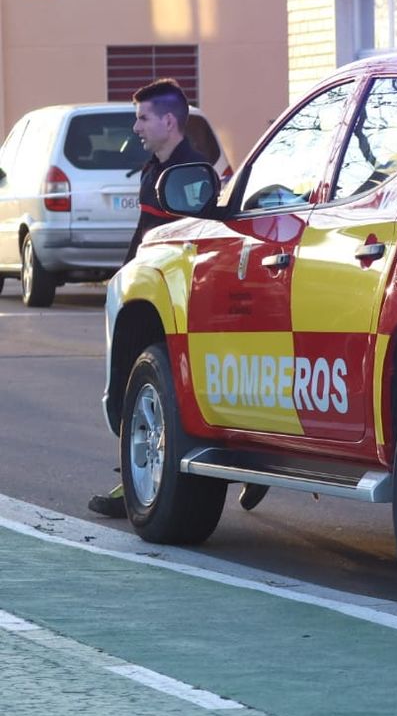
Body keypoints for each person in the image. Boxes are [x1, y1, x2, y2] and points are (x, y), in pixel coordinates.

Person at [87, 80, 269, 517]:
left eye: (143, 117)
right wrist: (123, 276)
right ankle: (142, 476)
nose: (136, 127)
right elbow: (145, 234)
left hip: (182, 298)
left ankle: (150, 481)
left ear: (170, 121)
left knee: (164, 389)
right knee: (137, 386)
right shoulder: (154, 169)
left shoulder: (193, 172)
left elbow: (204, 235)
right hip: (146, 292)